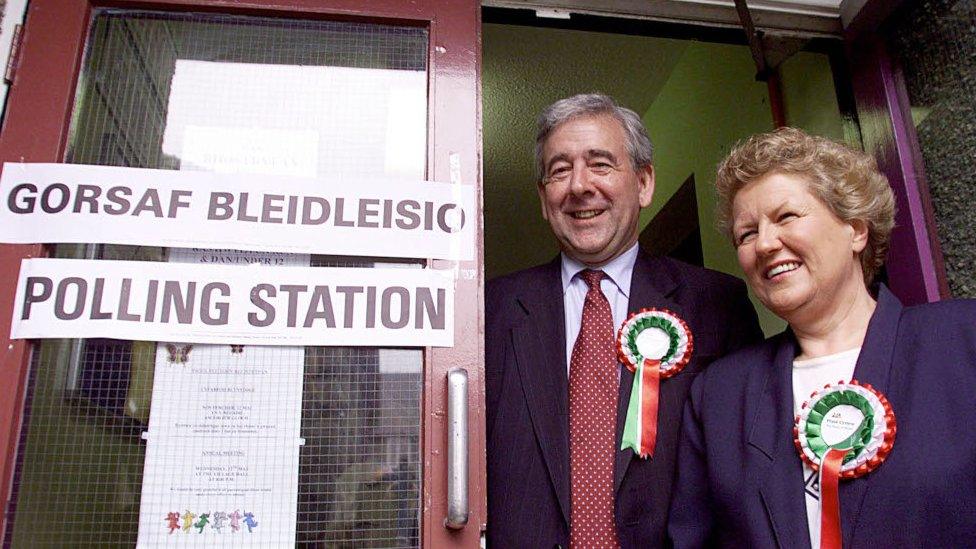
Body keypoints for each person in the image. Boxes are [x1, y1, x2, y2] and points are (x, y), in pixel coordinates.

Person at [668, 127, 976, 548]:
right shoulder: (719, 395)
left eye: (786, 217)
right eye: (747, 233)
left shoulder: (962, 340)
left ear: (855, 229)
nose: (765, 244)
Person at [485, 93, 763, 547]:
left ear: (644, 182)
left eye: (600, 164)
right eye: (559, 170)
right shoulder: (491, 311)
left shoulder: (717, 304)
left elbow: (749, 468)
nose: (578, 186)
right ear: (543, 198)